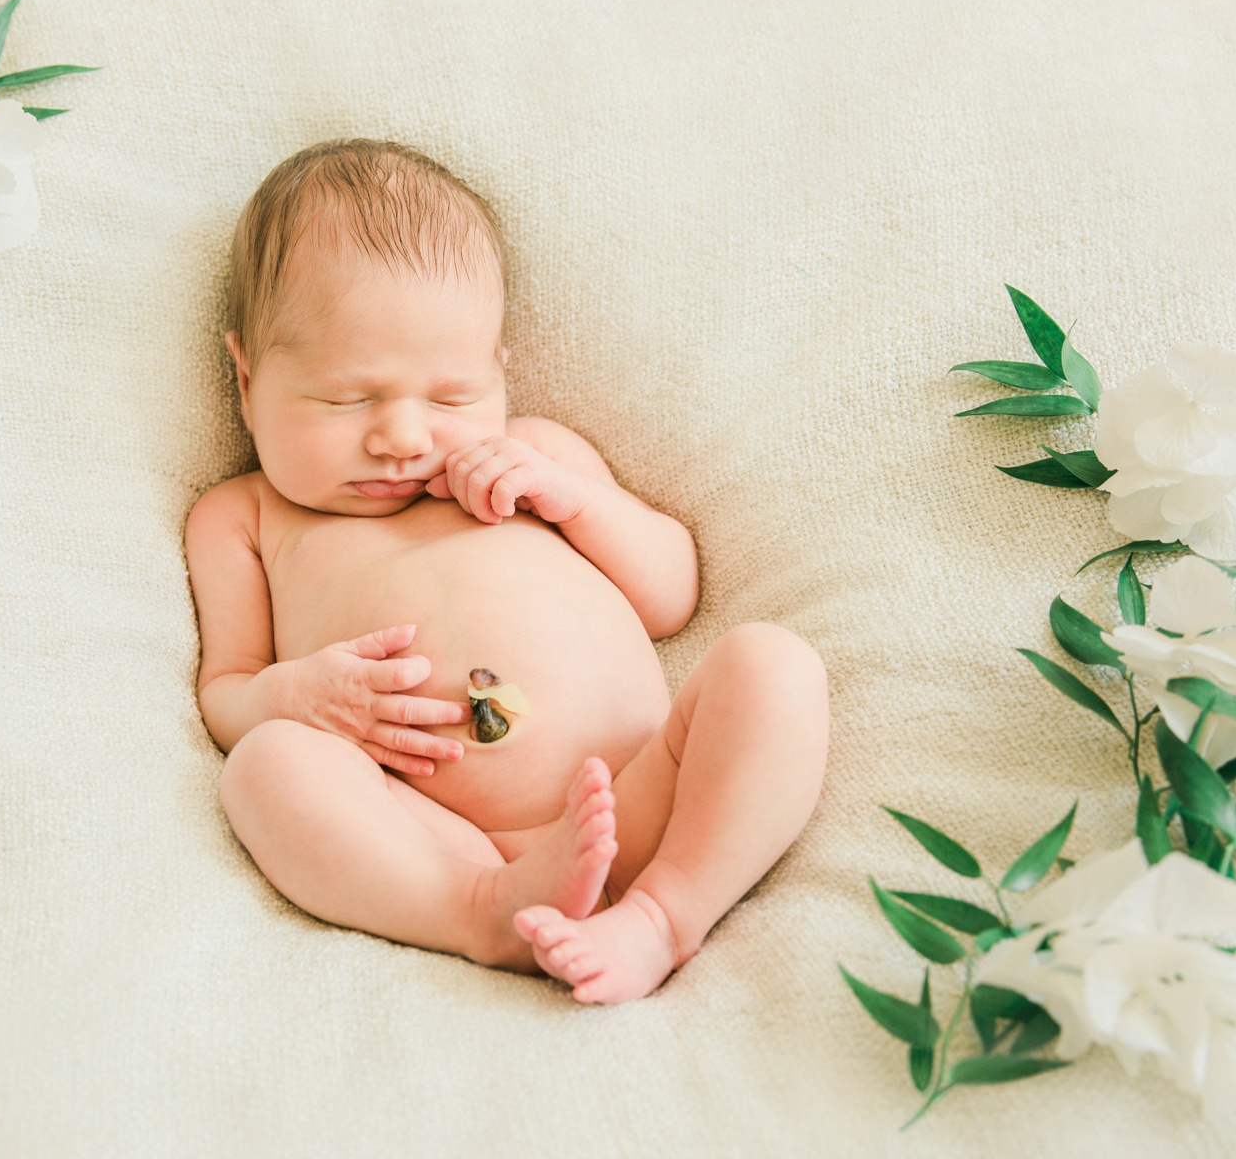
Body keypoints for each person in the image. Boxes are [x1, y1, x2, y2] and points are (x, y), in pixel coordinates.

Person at [185, 139, 829, 1003]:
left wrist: (576, 500)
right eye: (347, 399)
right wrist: (293, 696)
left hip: (641, 793)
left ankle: (664, 914)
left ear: (500, 372)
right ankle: (480, 913)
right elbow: (227, 694)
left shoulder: (534, 455)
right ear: (246, 377)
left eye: (449, 397)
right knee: (266, 767)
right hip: (445, 840)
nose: (404, 437)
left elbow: (672, 597)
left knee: (773, 665)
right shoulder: (245, 519)